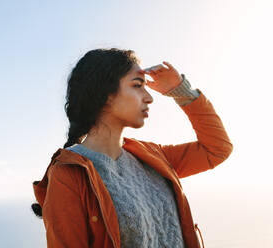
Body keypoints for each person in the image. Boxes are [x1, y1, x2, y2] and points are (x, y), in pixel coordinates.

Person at [31, 48, 233, 248]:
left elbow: (216, 148)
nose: (149, 97)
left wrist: (182, 91)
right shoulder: (69, 174)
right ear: (105, 94)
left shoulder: (152, 156)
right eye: (137, 85)